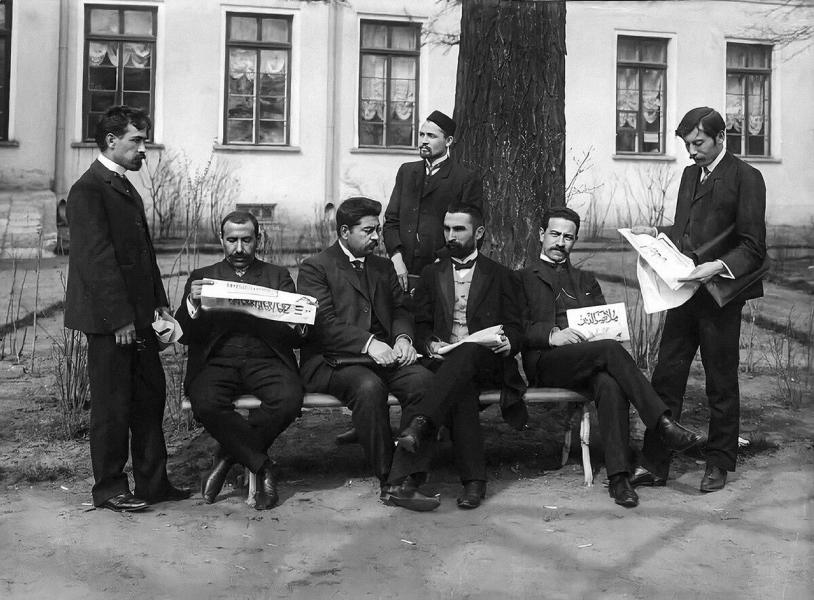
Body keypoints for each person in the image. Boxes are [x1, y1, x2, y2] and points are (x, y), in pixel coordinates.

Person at [518, 206, 706, 508]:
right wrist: (552, 335)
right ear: (541, 235)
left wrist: (609, 329)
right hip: (547, 363)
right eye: (554, 234)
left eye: (568, 237)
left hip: (589, 360)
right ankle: (662, 423)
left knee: (609, 382)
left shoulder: (585, 280)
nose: (560, 242)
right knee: (608, 351)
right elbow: (515, 329)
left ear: (575, 240)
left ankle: (619, 479)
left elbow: (603, 324)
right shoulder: (522, 278)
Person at [631, 107, 767, 493]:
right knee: (666, 376)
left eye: (699, 143)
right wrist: (655, 232)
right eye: (687, 144)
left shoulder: (746, 177)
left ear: (721, 137)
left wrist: (718, 266)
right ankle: (655, 464)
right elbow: (686, 231)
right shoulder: (691, 174)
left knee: (720, 382)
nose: (692, 152)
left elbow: (753, 246)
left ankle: (719, 463)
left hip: (720, 295)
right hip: (685, 292)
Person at [64, 105, 190, 512]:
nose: (143, 149)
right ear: (111, 140)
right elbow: (96, 262)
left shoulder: (122, 184)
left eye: (144, 141)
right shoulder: (88, 190)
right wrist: (118, 319)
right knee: (112, 405)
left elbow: (143, 255)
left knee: (149, 398)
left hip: (140, 318)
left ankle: (153, 484)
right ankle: (109, 489)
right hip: (112, 323)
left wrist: (160, 304)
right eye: (136, 140)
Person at [387, 204, 527, 511]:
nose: (451, 235)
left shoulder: (501, 275)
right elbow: (421, 323)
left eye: (459, 229)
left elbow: (517, 327)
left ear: (478, 232)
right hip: (444, 361)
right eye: (447, 228)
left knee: (468, 352)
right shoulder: (431, 273)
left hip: (488, 361)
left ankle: (421, 428)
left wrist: (510, 342)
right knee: (461, 388)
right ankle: (473, 482)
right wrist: (428, 342)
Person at [297, 197, 434, 503]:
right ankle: (390, 481)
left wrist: (403, 339)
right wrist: (370, 343)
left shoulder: (383, 267)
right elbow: (323, 324)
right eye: (368, 231)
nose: (376, 237)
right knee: (369, 387)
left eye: (378, 230)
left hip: (384, 356)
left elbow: (401, 309)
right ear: (345, 232)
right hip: (332, 361)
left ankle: (407, 472)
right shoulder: (315, 267)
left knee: (424, 382)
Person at [174, 211, 305, 510]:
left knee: (289, 399)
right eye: (232, 240)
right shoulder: (202, 277)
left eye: (246, 240)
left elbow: (296, 336)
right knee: (205, 401)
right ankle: (262, 465)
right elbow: (183, 335)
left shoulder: (277, 276)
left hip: (266, 359)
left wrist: (296, 317)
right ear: (221, 240)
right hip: (218, 362)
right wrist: (192, 302)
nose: (239, 248)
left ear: (258, 239)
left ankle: (227, 455)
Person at [383, 110, 483, 293]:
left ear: (448, 141)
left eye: (431, 136)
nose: (424, 141)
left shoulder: (464, 179)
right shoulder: (407, 172)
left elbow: (471, 231)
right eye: (421, 134)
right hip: (402, 271)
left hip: (444, 271)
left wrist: (441, 262)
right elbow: (391, 221)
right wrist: (396, 259)